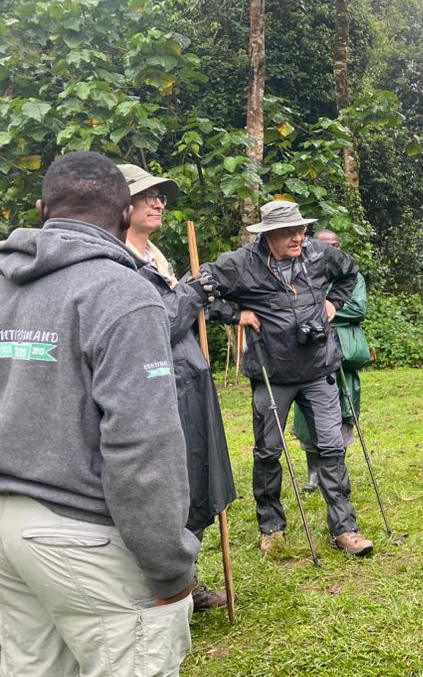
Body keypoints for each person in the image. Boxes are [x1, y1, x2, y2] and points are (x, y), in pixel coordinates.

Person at [0, 151, 199, 677]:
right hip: (84, 533)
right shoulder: (122, 293)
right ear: (122, 216)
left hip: (7, 538)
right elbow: (143, 446)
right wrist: (170, 565)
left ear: (41, 211)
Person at [201, 199, 374, 557]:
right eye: (288, 232)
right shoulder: (241, 264)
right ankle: (271, 528)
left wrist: (334, 304)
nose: (298, 238)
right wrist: (236, 315)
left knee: (331, 448)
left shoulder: (320, 253)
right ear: (268, 235)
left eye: (301, 230)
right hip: (272, 372)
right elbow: (197, 289)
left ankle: (345, 528)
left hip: (320, 366)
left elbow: (350, 272)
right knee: (268, 452)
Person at [119, 163, 237, 612]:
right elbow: (156, 325)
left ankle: (185, 580)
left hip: (190, 381)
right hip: (158, 387)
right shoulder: (118, 258)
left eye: (161, 195)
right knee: (167, 487)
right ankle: (163, 589)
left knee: (198, 478)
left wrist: (194, 292)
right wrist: (191, 293)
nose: (158, 202)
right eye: (146, 195)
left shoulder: (155, 254)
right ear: (118, 203)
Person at [294, 229, 369, 495]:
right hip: (308, 351)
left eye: (335, 245)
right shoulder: (299, 271)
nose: (331, 251)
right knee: (307, 407)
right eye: (325, 246)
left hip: (342, 350)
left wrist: (322, 310)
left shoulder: (352, 275)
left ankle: (337, 469)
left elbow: (358, 307)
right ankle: (313, 471)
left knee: (344, 406)